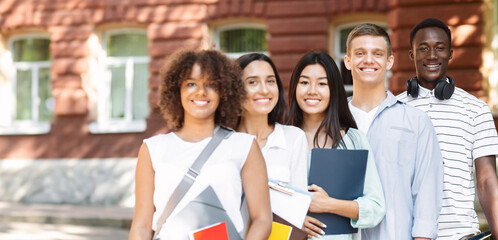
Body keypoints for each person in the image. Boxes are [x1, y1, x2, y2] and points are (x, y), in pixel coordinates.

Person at [128, 50, 272, 240]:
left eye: (211, 84)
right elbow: (141, 226)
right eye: (191, 84)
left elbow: (262, 219)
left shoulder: (244, 146)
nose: (200, 91)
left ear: (224, 91)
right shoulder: (153, 148)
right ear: (176, 90)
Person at [397, 18, 498, 240]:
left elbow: (487, 180)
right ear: (412, 55)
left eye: (440, 48)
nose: (432, 56)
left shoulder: (476, 109)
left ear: (451, 53)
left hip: (461, 235)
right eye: (423, 49)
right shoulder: (394, 110)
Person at [344, 23, 444, 239]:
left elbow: (427, 195)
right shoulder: (332, 121)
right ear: (347, 61)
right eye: (360, 53)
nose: (368, 60)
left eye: (377, 53)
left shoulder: (416, 122)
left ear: (389, 61)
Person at [287, 51, 385, 240]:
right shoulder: (281, 138)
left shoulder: (353, 140)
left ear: (334, 90)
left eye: (322, 83)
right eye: (304, 82)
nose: (312, 90)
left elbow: (375, 207)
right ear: (294, 87)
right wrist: (296, 217)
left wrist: (328, 204)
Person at [235, 53, 308, 191]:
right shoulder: (224, 142)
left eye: (270, 81)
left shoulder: (294, 138)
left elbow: (298, 204)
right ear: (236, 90)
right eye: (252, 82)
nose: (264, 90)